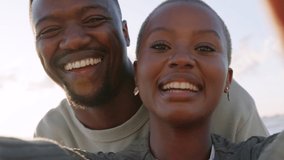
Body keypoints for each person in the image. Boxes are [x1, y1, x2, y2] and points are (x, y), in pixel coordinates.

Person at [0, 0, 276, 159]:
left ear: (125, 32)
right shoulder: (53, 134)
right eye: (49, 30)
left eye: (94, 19)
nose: (74, 40)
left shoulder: (214, 98)